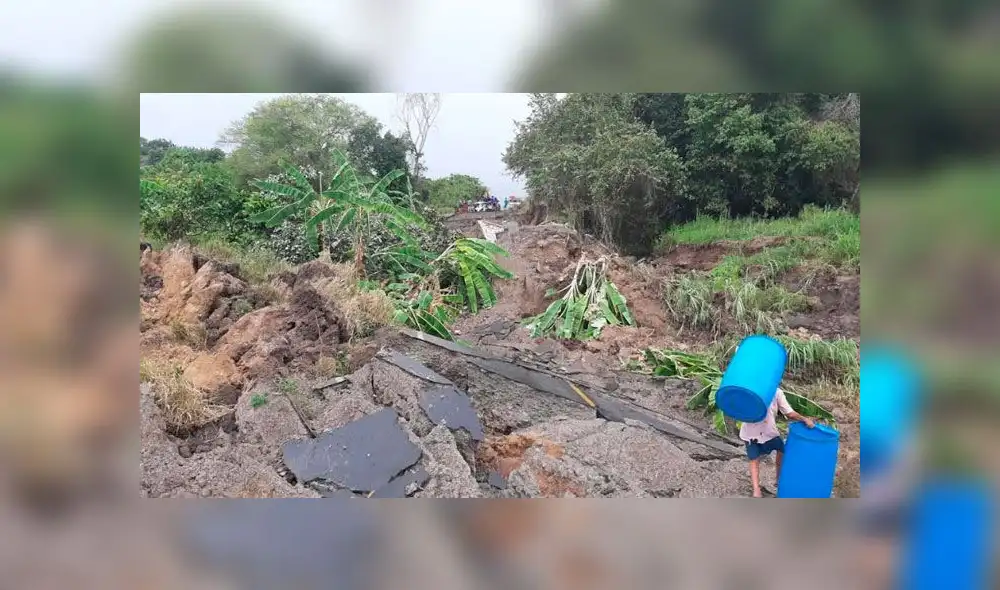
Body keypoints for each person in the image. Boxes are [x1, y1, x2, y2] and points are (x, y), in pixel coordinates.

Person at [740, 386, 815, 497]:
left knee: (759, 458)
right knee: (776, 452)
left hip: (759, 432)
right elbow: (789, 413)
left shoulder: (753, 388)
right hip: (760, 432)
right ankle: (772, 483)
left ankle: (761, 489)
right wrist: (805, 419)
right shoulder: (774, 391)